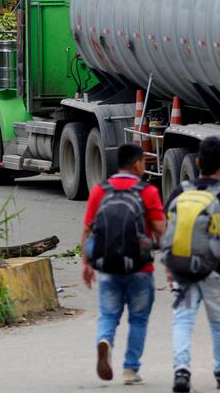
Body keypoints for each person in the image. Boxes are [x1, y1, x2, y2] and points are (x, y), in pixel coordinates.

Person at [165, 136, 220, 393]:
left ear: (198, 162)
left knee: (183, 320)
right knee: (218, 322)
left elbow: (170, 231)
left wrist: (169, 267)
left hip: (183, 269)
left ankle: (181, 371)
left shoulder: (180, 191)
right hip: (216, 269)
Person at [81, 143, 165, 385]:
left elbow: (87, 230)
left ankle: (104, 341)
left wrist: (87, 263)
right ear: (137, 163)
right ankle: (130, 369)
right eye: (143, 162)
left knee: (108, 315)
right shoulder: (147, 191)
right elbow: (160, 230)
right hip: (140, 268)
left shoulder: (100, 190)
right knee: (138, 319)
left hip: (107, 266)